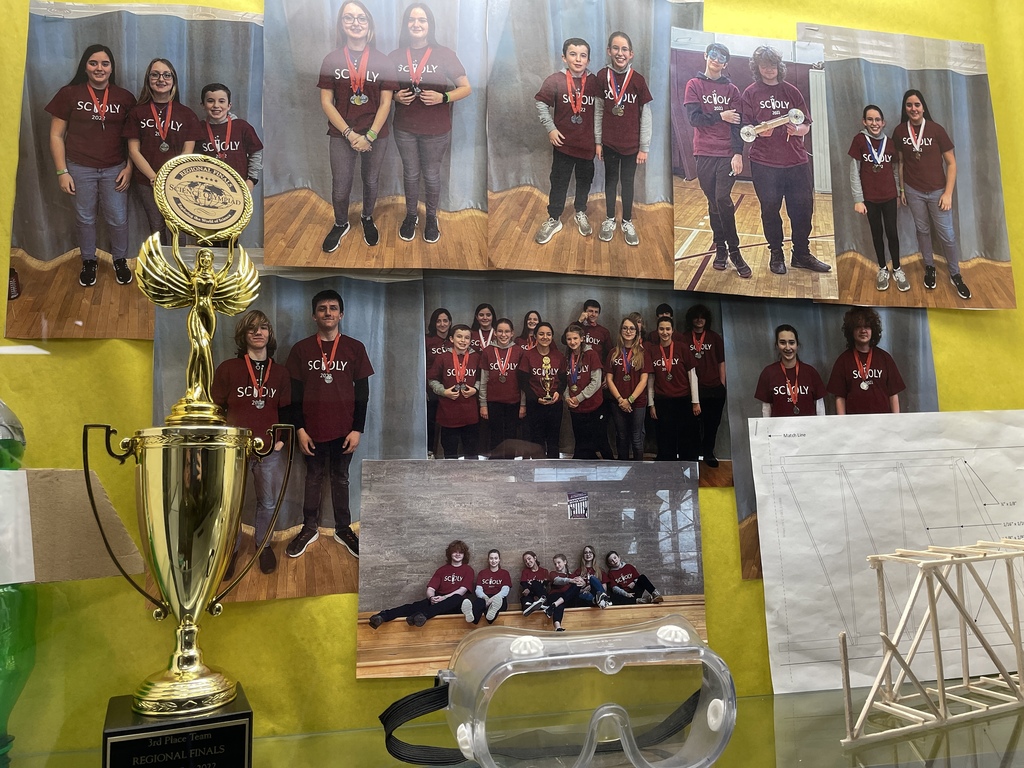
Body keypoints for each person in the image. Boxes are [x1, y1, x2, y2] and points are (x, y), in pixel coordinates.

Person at [284, 289, 373, 559]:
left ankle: (343, 529)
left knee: (341, 479)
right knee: (313, 479)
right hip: (311, 430)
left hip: (344, 430)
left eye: (333, 308)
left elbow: (363, 393)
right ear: (314, 315)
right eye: (322, 308)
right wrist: (299, 429)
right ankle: (309, 527)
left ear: (341, 314)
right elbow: (293, 396)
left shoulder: (354, 348)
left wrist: (358, 429)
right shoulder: (301, 349)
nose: (328, 312)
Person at [46, 44, 136, 288]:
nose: (99, 68)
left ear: (112, 67)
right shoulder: (69, 93)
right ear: (84, 66)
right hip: (79, 168)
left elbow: (133, 138)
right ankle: (88, 260)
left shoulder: (125, 97)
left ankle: (119, 259)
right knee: (85, 219)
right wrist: (62, 171)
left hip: (115, 169)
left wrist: (129, 168)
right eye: (93, 63)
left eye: (105, 63)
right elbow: (56, 136)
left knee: (118, 219)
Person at [212, 310, 292, 575]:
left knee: (267, 502)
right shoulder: (228, 368)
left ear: (270, 335)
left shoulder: (280, 373)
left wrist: (279, 443)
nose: (258, 332)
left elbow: (287, 412)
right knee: (231, 501)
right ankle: (231, 549)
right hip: (235, 448)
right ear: (243, 335)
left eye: (264, 328)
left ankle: (264, 545)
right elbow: (216, 408)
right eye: (252, 328)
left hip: (269, 450)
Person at [739, 46, 830, 276]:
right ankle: (776, 254)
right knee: (770, 210)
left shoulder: (792, 91)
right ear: (757, 68)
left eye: (772, 65)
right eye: (763, 65)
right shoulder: (750, 93)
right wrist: (759, 131)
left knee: (802, 210)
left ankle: (801, 254)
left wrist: (798, 129)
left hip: (796, 162)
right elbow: (745, 128)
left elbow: (806, 125)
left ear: (779, 67)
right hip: (764, 163)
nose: (768, 69)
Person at [318, 1, 398, 252]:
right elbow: (326, 102)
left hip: (376, 134)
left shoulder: (382, 60)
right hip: (342, 133)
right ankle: (341, 223)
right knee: (340, 186)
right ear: (342, 25)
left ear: (369, 26)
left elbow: (386, 103)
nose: (355, 23)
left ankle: (366, 218)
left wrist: (370, 135)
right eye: (349, 18)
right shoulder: (331, 59)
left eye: (361, 18)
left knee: (371, 181)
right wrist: (350, 134)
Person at [389, 2, 471, 243]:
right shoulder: (395, 56)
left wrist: (442, 97)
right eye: (411, 20)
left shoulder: (444, 54)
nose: (416, 24)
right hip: (404, 127)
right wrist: (395, 96)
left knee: (432, 175)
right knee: (411, 174)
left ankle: (432, 217)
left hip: (436, 129)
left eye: (422, 20)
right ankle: (411, 215)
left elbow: (466, 88)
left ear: (429, 25)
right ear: (406, 25)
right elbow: (385, 91)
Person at [893, 89, 970, 299]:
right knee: (922, 231)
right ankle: (929, 267)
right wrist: (902, 189)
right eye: (909, 105)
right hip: (913, 190)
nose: (913, 108)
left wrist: (948, 194)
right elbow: (900, 162)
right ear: (905, 108)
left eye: (917, 104)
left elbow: (952, 163)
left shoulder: (936, 129)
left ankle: (955, 274)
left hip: (938, 192)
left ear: (923, 107)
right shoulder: (900, 131)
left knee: (947, 235)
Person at [683, 42, 750, 278]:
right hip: (703, 153)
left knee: (722, 198)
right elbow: (694, 119)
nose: (716, 59)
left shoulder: (732, 90)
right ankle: (720, 249)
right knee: (713, 202)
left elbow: (738, 125)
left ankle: (735, 252)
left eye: (722, 57)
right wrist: (720, 115)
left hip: (726, 154)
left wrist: (738, 153)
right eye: (713, 55)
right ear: (706, 56)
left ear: (726, 63)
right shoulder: (694, 85)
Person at [124, 58, 201, 245]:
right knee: (156, 226)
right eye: (155, 74)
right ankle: (162, 269)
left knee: (179, 227)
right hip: (147, 181)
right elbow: (134, 151)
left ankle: (180, 269)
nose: (161, 79)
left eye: (167, 75)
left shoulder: (187, 113)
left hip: (179, 181)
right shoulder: (137, 113)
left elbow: (187, 152)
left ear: (173, 80)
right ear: (148, 79)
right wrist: (155, 177)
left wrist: (170, 177)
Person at [533, 37, 600, 245]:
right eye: (573, 54)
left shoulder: (595, 82)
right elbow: (541, 104)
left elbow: (600, 113)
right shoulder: (555, 80)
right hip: (563, 145)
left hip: (587, 145)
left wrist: (598, 141)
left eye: (583, 55)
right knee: (559, 182)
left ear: (588, 60)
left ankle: (580, 211)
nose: (578, 59)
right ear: (564, 57)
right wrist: (551, 129)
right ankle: (554, 218)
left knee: (584, 181)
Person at [596, 31, 653, 247]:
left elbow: (646, 115)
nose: (620, 53)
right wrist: (598, 142)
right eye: (616, 48)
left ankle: (627, 221)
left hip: (631, 145)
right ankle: (610, 219)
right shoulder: (602, 76)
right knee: (610, 181)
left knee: (627, 183)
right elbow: (598, 111)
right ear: (609, 51)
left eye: (624, 49)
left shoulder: (638, 80)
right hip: (609, 144)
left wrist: (644, 146)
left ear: (631, 54)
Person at [849, 105, 906, 292]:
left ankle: (897, 268)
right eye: (870, 119)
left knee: (892, 233)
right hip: (870, 199)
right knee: (876, 234)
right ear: (864, 122)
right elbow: (854, 172)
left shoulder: (889, 143)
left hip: (889, 196)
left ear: (883, 122)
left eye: (877, 120)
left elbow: (895, 171)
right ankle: (882, 268)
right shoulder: (859, 140)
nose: (874, 123)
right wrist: (858, 199)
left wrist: (898, 192)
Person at [369, 540, 472, 628]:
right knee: (415, 605)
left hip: (454, 604)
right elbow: (431, 588)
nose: (457, 554)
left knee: (457, 598)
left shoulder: (468, 570)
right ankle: (382, 616)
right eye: (455, 552)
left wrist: (444, 598)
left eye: (460, 552)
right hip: (437, 601)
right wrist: (432, 598)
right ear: (450, 553)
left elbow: (462, 590)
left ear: (464, 555)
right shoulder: (442, 570)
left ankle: (422, 615)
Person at [827, 307, 905, 414]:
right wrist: (842, 424)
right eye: (858, 326)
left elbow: (893, 394)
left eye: (867, 327)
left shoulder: (885, 358)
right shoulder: (843, 361)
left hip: (883, 423)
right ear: (851, 330)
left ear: (873, 330)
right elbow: (840, 397)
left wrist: (896, 421)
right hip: (854, 424)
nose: (863, 330)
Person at [648, 316, 700, 460]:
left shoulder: (681, 347)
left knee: (685, 438)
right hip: (662, 401)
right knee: (665, 438)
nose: (665, 332)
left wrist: (695, 402)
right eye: (661, 329)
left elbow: (692, 375)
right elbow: (651, 379)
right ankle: (667, 471)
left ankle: (685, 469)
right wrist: (651, 404)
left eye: (668, 329)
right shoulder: (653, 351)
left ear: (673, 331)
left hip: (682, 400)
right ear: (657, 331)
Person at [197, 82, 264, 192]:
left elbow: (256, 152)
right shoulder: (199, 128)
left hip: (238, 186)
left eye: (221, 101)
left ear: (229, 105)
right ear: (203, 105)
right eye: (210, 101)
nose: (216, 105)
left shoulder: (242, 126)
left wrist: (251, 179)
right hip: (208, 187)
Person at [428, 323, 481, 458]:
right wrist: (444, 392)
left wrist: (475, 389)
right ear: (451, 339)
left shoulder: (476, 358)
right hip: (448, 414)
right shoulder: (442, 357)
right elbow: (432, 380)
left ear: (470, 340)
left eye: (466, 338)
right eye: (459, 337)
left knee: (471, 454)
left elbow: (482, 379)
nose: (463, 341)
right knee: (450, 454)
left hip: (470, 415)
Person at [754, 324, 826, 418]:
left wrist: (821, 430)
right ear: (777, 345)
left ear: (797, 344)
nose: (788, 347)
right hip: (780, 431)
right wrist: (766, 431)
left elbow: (820, 409)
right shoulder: (768, 373)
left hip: (808, 431)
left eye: (791, 342)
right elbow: (766, 409)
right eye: (782, 342)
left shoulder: (810, 372)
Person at [685, 304, 726, 468]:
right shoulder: (684, 337)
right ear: (691, 319)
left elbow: (721, 362)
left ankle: (709, 453)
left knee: (712, 425)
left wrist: (722, 384)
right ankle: (693, 453)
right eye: (696, 317)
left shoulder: (715, 337)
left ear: (707, 319)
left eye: (702, 317)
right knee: (692, 426)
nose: (699, 320)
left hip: (714, 389)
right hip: (692, 390)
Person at [605, 315, 651, 460]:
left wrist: (629, 400)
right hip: (617, 402)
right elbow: (609, 379)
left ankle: (638, 472)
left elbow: (644, 380)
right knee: (622, 436)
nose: (628, 331)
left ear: (637, 332)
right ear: (620, 331)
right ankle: (623, 468)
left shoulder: (643, 353)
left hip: (637, 402)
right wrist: (620, 400)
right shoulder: (613, 352)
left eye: (632, 328)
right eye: (625, 328)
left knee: (637, 438)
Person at [520, 322, 566, 458]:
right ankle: (538, 472)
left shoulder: (559, 356)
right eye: (541, 334)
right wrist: (534, 397)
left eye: (548, 334)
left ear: (552, 337)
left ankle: (553, 473)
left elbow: (564, 379)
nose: (545, 337)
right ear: (535, 336)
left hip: (555, 404)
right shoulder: (528, 355)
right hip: (535, 404)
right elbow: (522, 381)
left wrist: (559, 392)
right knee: (536, 440)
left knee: (553, 440)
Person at [478, 318, 525, 455]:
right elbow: (484, 380)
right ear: (495, 333)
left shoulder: (519, 351)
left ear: (512, 333)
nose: (503, 335)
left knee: (511, 435)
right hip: (493, 401)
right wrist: (483, 404)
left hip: (514, 401)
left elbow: (523, 382)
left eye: (507, 331)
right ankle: (496, 467)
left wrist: (523, 404)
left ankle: (511, 466)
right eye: (500, 331)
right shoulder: (487, 351)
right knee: (495, 436)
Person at [563, 323, 609, 459]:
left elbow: (596, 382)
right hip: (576, 408)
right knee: (581, 443)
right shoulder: (567, 357)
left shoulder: (591, 354)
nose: (572, 342)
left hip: (593, 406)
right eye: (569, 339)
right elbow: (567, 382)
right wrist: (567, 397)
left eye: (575, 338)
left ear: (582, 338)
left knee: (601, 442)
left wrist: (579, 398)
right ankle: (581, 472)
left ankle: (611, 469)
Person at [425, 307, 453, 457]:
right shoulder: (427, 340)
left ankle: (448, 455)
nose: (442, 324)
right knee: (431, 422)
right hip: (432, 390)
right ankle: (429, 452)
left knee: (449, 425)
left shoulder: (454, 340)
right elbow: (421, 365)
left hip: (452, 389)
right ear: (434, 323)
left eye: (445, 320)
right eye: (438, 321)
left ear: (450, 322)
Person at [461, 549, 512, 625]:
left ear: (499, 560)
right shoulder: (482, 573)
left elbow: (505, 591)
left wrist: (491, 600)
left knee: (498, 603)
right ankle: (470, 615)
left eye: (495, 558)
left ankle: (489, 615)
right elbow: (478, 590)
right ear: (488, 560)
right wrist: (485, 598)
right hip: (484, 597)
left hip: (498, 598)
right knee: (479, 602)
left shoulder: (504, 573)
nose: (493, 561)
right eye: (491, 558)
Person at [540, 554, 581, 631]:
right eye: (555, 564)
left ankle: (553, 605)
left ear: (565, 562)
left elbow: (579, 587)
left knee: (577, 586)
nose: (557, 565)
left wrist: (582, 582)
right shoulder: (553, 573)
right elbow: (557, 580)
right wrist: (569, 580)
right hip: (555, 596)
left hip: (568, 599)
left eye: (559, 563)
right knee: (559, 604)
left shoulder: (572, 575)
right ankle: (557, 627)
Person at [520, 550, 549, 615]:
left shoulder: (544, 571)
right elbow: (524, 584)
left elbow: (545, 585)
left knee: (535, 583)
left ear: (535, 558)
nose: (528, 562)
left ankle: (539, 604)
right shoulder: (525, 572)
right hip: (531, 595)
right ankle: (531, 606)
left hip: (541, 596)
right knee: (524, 599)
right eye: (525, 561)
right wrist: (526, 590)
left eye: (529, 559)